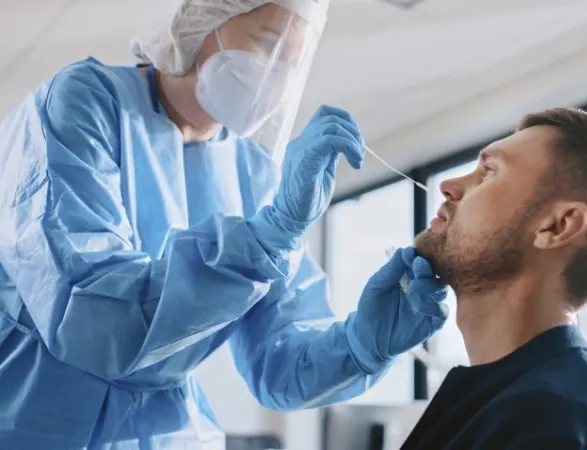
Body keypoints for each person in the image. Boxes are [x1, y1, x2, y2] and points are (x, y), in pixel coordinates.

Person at [0, 1, 448, 448]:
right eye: (267, 44)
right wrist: (263, 238)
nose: (277, 73)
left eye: (293, 60)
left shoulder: (254, 173)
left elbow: (279, 364)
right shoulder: (83, 103)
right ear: (198, 19)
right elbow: (91, 320)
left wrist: (362, 345)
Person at [401, 107, 587, 450]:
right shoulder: (495, 400)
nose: (449, 186)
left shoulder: (563, 422)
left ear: (557, 226)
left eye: (489, 172)